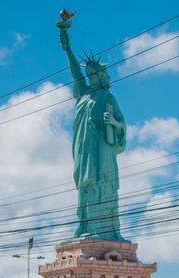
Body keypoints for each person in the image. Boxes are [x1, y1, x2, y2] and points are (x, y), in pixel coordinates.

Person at [60, 19, 126, 240]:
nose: (91, 78)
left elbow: (122, 126)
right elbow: (74, 72)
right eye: (89, 76)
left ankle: (108, 230)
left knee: (104, 185)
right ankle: (85, 227)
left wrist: (114, 124)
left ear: (102, 77)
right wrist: (67, 48)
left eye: (94, 75)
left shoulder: (108, 97)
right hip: (84, 150)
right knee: (86, 185)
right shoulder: (83, 93)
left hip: (104, 150)